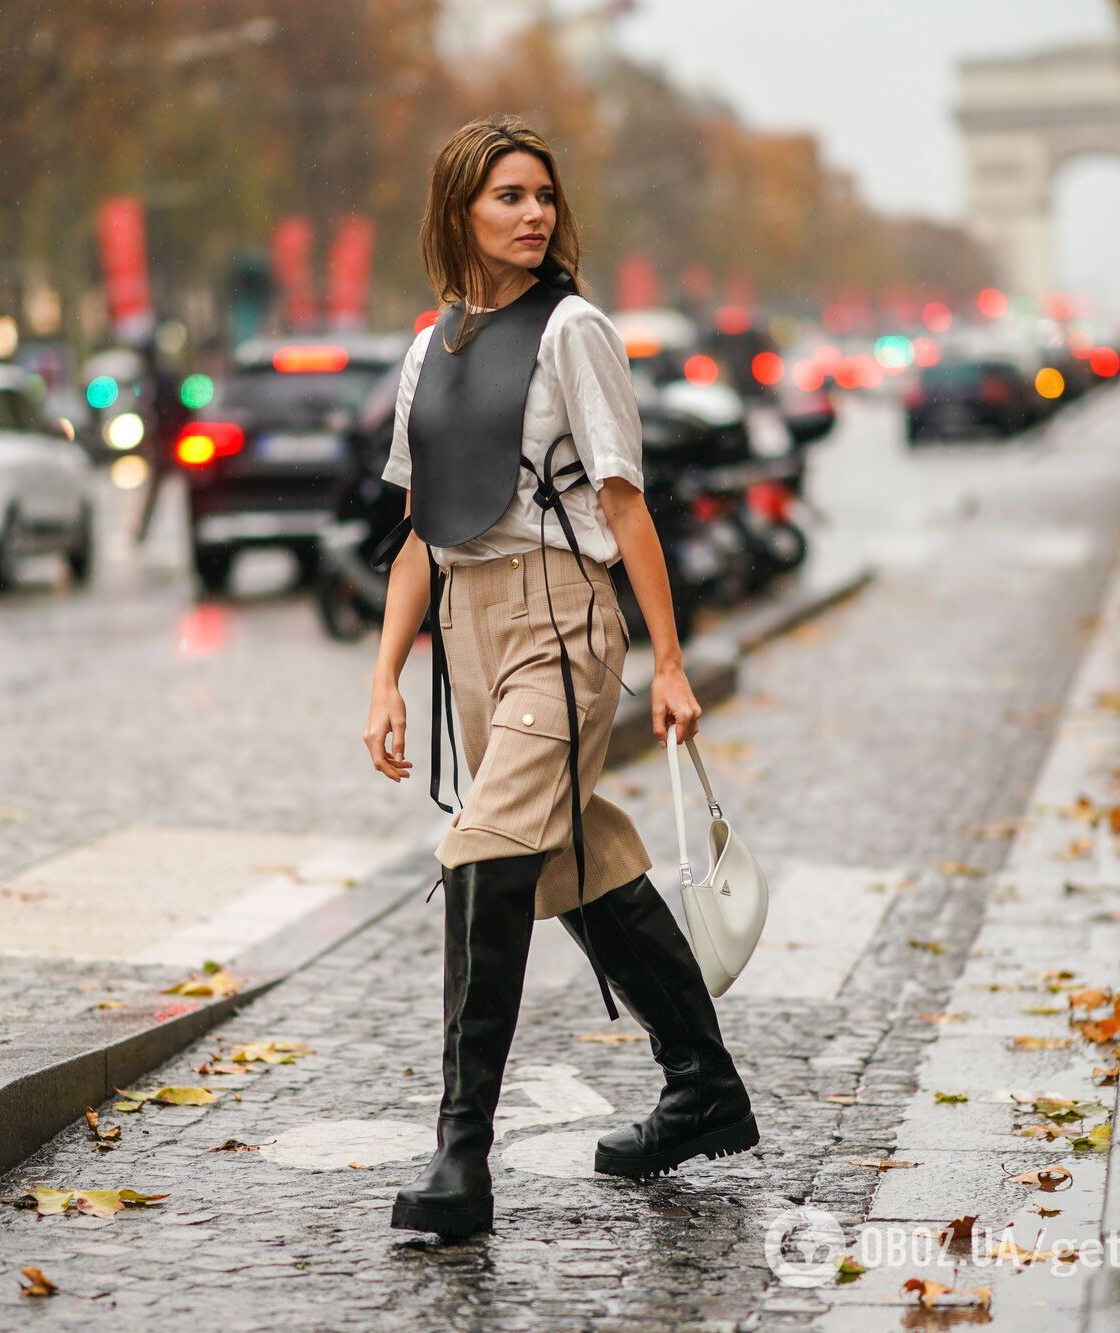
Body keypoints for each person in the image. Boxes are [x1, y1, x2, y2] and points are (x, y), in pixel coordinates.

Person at [363, 115, 759, 1242]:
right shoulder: (427, 348)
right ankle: (702, 1084)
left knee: (484, 853)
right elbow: (415, 533)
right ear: (458, 212)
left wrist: (667, 662)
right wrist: (386, 679)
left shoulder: (573, 331)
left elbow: (624, 500)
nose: (532, 214)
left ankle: (459, 1160)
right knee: (571, 849)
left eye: (541, 194)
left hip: (560, 615)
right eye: (506, 197)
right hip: (469, 628)